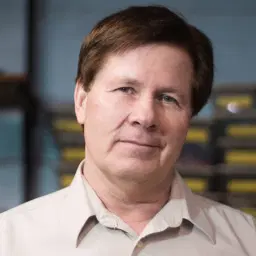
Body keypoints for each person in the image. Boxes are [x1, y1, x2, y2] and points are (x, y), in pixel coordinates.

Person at [0, 5, 255, 256]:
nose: (145, 117)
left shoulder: (247, 241)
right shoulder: (9, 241)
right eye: (125, 90)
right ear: (81, 100)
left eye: (168, 98)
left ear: (190, 118)